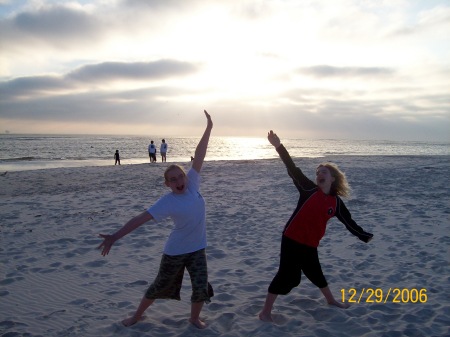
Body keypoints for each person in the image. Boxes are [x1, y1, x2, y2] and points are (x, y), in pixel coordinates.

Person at [98, 110, 214, 329]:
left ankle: (193, 318)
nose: (179, 181)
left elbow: (199, 155)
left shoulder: (192, 184)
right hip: (175, 251)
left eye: (180, 176)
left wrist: (208, 128)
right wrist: (114, 237)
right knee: (160, 286)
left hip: (198, 248)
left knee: (200, 286)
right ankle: (136, 316)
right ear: (167, 184)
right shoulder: (167, 202)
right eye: (173, 180)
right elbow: (139, 219)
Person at [258, 130, 373, 323]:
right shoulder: (308, 189)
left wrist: (363, 235)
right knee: (289, 277)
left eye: (323, 172)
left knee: (316, 272)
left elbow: (349, 222)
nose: (319, 174)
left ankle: (331, 300)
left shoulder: (335, 203)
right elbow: (291, 167)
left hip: (310, 244)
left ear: (332, 178)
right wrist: (278, 145)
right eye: (317, 172)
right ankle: (265, 312)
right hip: (291, 239)